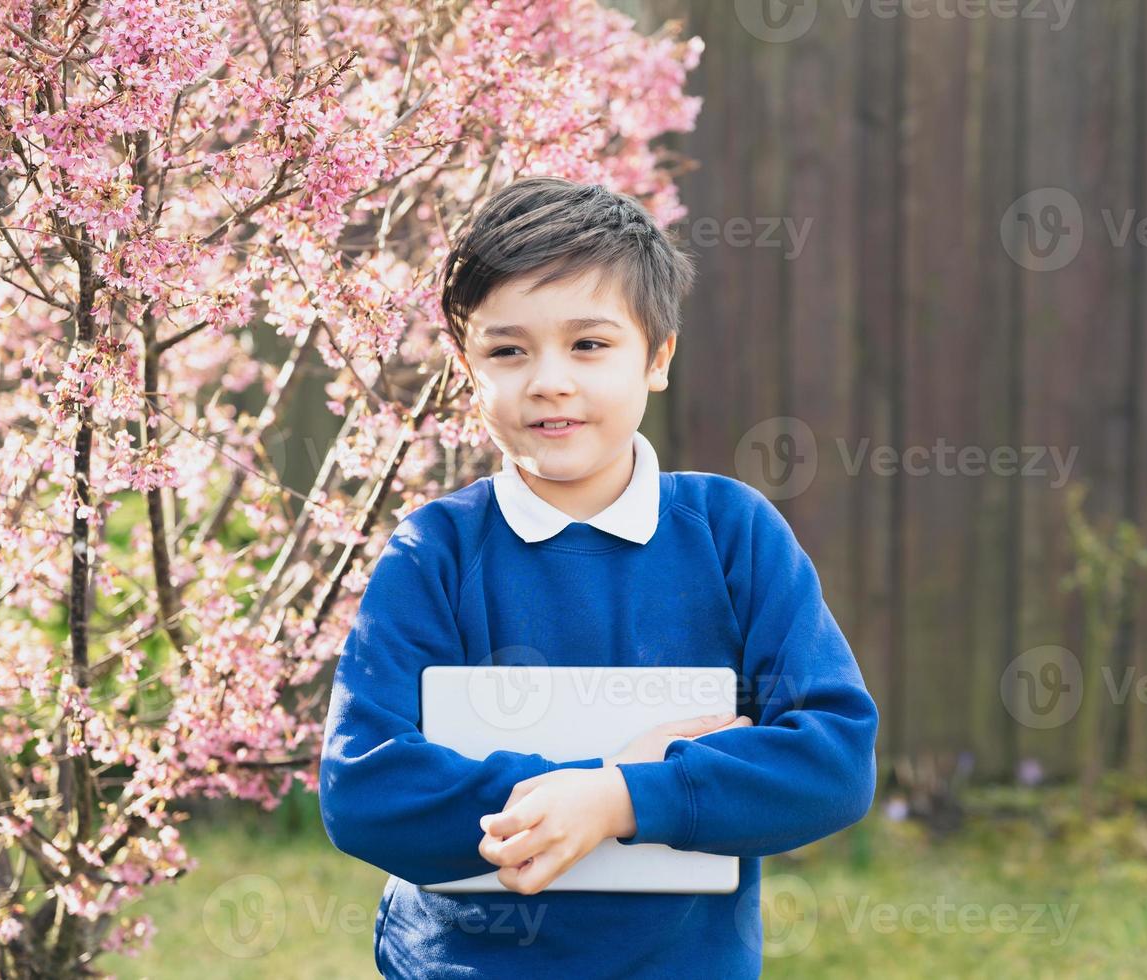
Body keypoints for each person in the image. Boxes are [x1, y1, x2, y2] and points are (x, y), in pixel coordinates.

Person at [318, 176, 879, 978]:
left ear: (657, 356)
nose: (548, 379)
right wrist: (590, 788)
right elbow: (365, 788)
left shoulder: (732, 536)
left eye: (588, 344)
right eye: (507, 350)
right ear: (465, 367)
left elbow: (831, 760)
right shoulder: (433, 553)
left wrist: (626, 800)